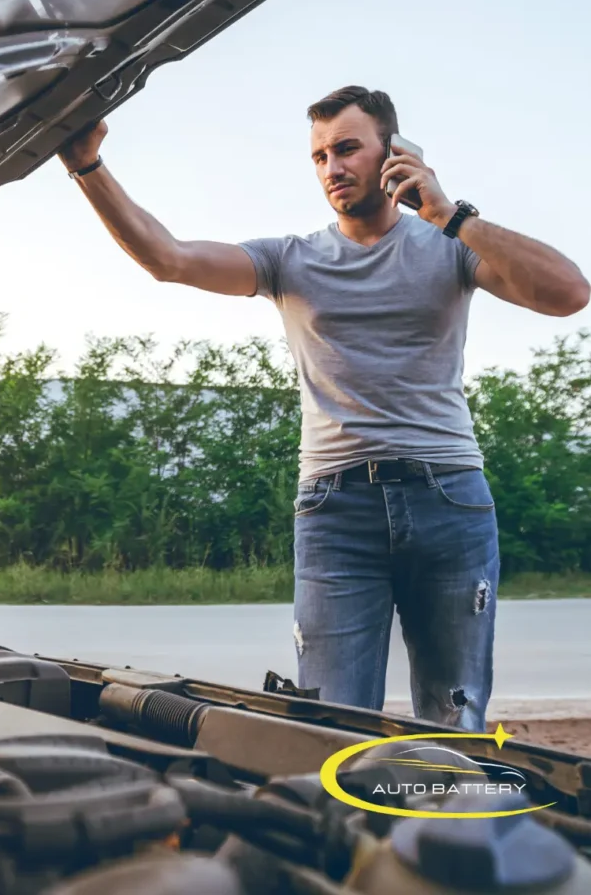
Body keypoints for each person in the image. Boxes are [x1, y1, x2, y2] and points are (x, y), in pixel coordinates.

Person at [57, 86, 590, 731]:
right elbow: (168, 259)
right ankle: (348, 831)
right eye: (318, 156)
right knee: (329, 727)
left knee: (455, 723)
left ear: (393, 153)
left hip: (449, 498)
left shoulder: (450, 246)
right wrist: (86, 167)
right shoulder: (291, 260)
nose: (332, 168)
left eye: (346, 149)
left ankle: (442, 831)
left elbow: (569, 293)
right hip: (335, 512)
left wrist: (448, 213)